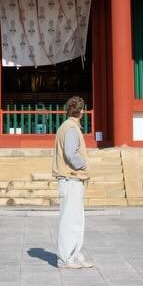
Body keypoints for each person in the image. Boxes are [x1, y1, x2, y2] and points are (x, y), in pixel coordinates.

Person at [52, 96, 92, 269]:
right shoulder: (70, 129)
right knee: (69, 220)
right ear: (81, 111)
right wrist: (83, 163)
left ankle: (75, 254)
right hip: (71, 177)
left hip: (72, 178)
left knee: (76, 219)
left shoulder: (68, 127)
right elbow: (70, 153)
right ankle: (65, 257)